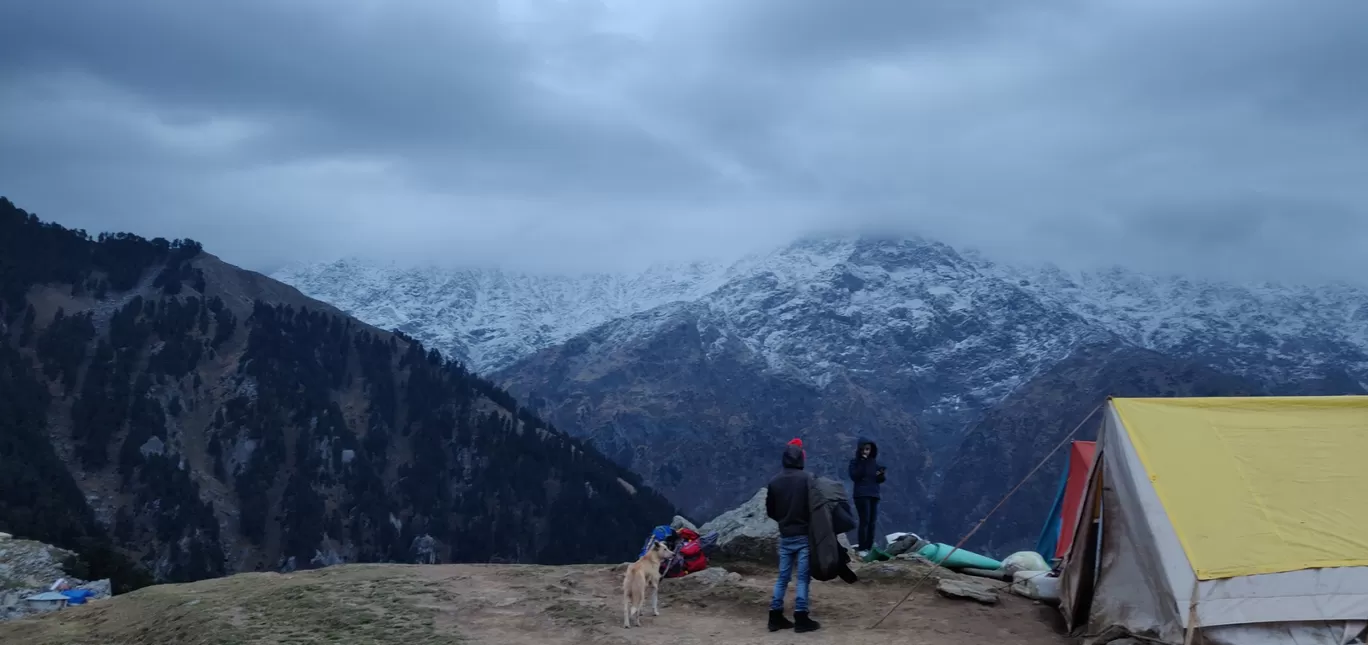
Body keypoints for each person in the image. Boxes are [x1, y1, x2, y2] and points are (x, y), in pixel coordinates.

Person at [765, 438, 821, 633]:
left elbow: (771, 511)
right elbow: (816, 507)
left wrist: (784, 519)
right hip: (804, 534)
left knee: (782, 577)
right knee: (803, 578)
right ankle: (801, 617)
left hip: (785, 533)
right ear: (800, 459)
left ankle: (775, 616)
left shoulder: (774, 482)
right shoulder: (808, 478)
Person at [847, 437, 885, 558]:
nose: (865, 452)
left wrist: (881, 475)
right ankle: (863, 548)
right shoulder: (855, 462)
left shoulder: (874, 463)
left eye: (868, 449)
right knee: (865, 521)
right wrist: (862, 463)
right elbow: (855, 476)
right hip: (861, 495)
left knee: (872, 522)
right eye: (863, 449)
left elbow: (879, 480)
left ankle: (869, 546)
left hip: (874, 494)